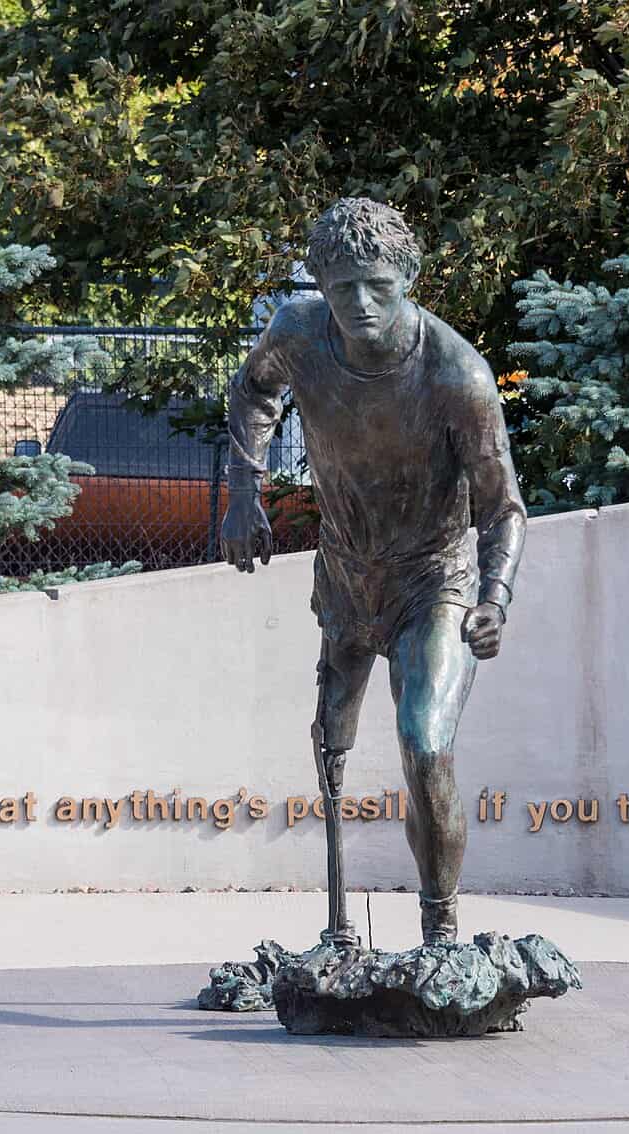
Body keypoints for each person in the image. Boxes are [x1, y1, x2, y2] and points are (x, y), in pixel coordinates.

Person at [220, 197, 526, 949]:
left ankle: (440, 931)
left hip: (436, 581)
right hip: (347, 576)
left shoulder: (456, 374)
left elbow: (503, 507)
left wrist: (494, 599)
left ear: (408, 278)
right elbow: (252, 388)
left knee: (425, 743)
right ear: (321, 282)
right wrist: (243, 491)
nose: (360, 302)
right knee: (331, 744)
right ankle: (338, 932)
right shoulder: (297, 332)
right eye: (343, 286)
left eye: (378, 286)